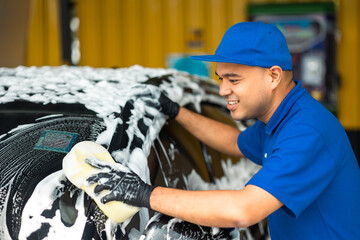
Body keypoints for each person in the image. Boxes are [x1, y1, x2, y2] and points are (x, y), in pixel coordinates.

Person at [86, 21, 360, 239]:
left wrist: (144, 194)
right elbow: (234, 142)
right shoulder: (280, 119)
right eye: (220, 78)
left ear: (273, 76)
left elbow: (243, 210)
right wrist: (176, 112)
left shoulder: (306, 131)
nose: (222, 90)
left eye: (234, 79)